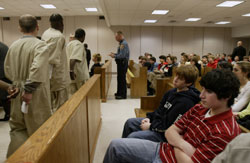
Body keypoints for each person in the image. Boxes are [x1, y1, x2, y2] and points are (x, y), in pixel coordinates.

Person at [103, 69, 241, 163]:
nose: (201, 95)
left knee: (121, 146)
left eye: (208, 91)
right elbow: (170, 131)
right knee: (115, 146)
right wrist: (183, 145)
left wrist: (176, 141)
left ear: (226, 96)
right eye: (202, 89)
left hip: (168, 159)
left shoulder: (225, 131)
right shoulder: (200, 108)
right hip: (163, 149)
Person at [4, 14, 51, 157]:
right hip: (34, 93)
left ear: (19, 28)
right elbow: (37, 68)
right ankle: (39, 158)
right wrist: (29, 90)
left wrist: (16, 83)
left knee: (18, 128)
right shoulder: (40, 45)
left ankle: (16, 159)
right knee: (40, 129)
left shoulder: (13, 45)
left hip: (16, 90)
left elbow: (7, 69)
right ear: (37, 27)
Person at [122, 65, 200, 142]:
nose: (175, 79)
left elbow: (170, 127)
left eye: (180, 79)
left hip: (164, 135)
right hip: (158, 124)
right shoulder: (171, 92)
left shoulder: (186, 103)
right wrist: (149, 118)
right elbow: (160, 110)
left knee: (133, 136)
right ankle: (122, 148)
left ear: (188, 83)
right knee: (130, 123)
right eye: (176, 76)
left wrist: (150, 126)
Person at [41, 13, 70, 112]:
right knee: (61, 107)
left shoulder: (45, 33)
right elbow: (51, 60)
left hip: (49, 78)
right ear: (60, 23)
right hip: (58, 79)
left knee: (50, 105)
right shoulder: (58, 36)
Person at [66, 28, 89, 94]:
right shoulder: (79, 44)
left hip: (72, 78)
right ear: (83, 36)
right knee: (82, 97)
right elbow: (73, 59)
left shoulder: (69, 44)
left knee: (73, 98)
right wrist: (71, 71)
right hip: (79, 77)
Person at [109, 31, 130, 100]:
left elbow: (122, 55)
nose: (115, 38)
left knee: (122, 79)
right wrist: (115, 54)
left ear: (120, 36)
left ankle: (123, 95)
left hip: (122, 63)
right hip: (121, 63)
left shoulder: (123, 43)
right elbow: (120, 54)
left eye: (116, 37)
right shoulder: (121, 43)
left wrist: (114, 56)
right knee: (119, 78)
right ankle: (119, 92)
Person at [0, 42, 11, 121]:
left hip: (1, 74)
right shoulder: (3, 45)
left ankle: (8, 114)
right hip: (6, 72)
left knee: (4, 96)